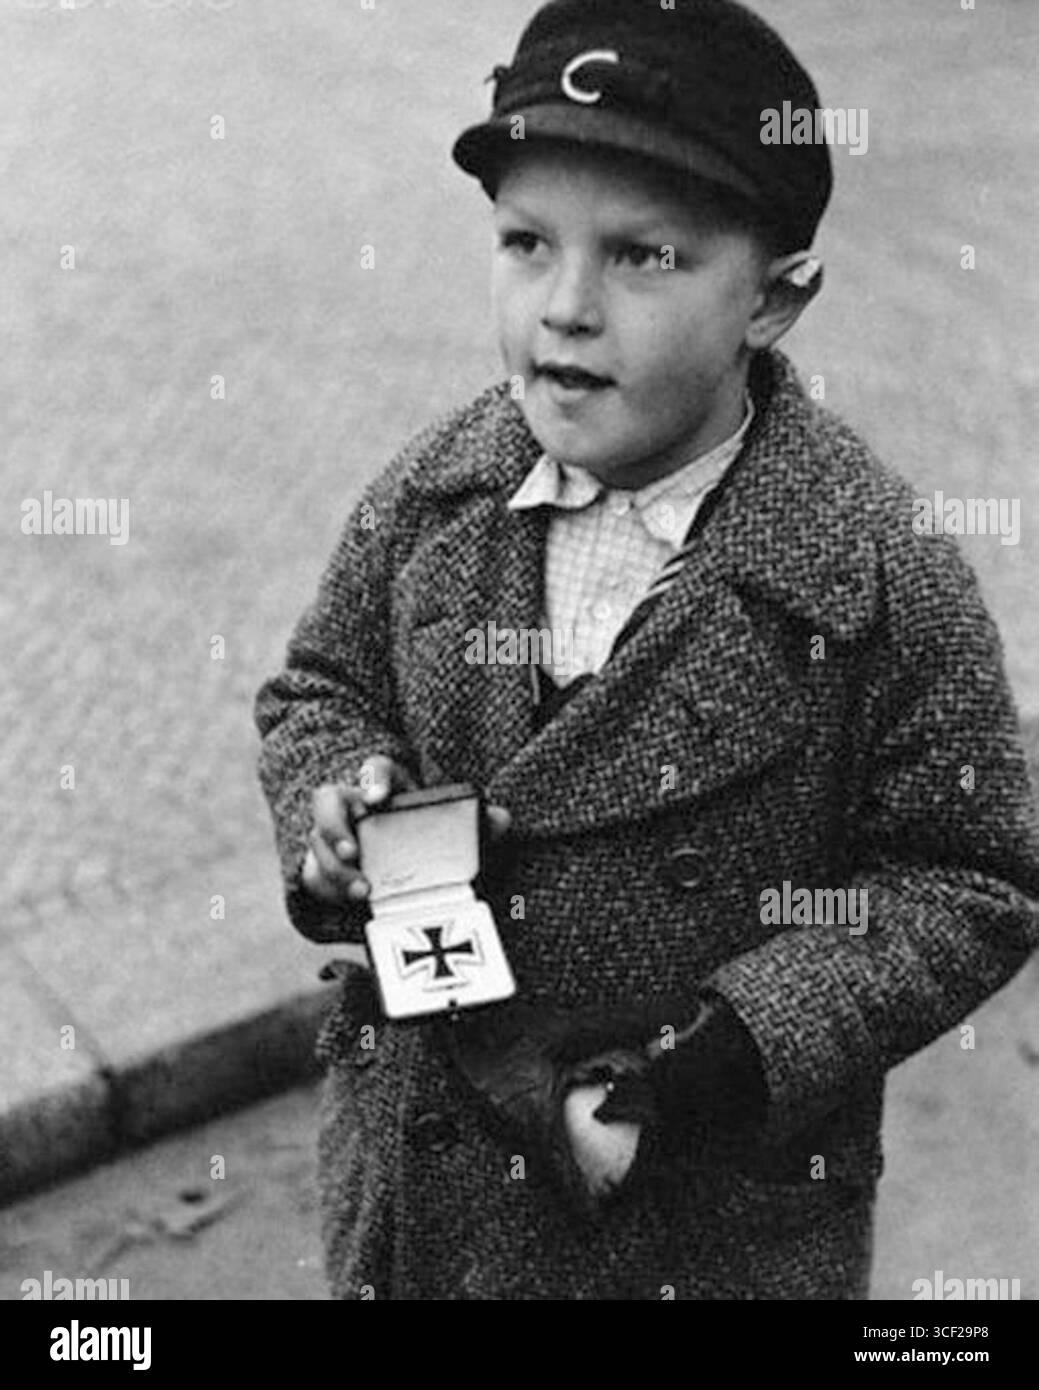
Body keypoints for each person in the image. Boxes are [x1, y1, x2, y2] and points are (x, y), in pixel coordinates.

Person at [254, 0, 1039, 1300]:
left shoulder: (872, 573)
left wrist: (733, 1049)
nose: (565, 308)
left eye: (643, 258)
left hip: (699, 1216)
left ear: (775, 301)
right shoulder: (437, 492)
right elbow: (320, 690)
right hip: (433, 1184)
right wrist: (337, 801)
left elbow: (970, 879)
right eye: (526, 243)